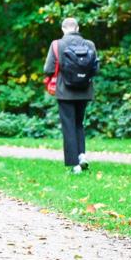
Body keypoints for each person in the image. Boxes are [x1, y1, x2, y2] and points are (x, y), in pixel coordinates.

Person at [44, 17, 99, 173]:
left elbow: (48, 69)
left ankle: (74, 164)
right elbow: (96, 69)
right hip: (84, 90)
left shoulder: (57, 44)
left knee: (68, 126)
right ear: (77, 28)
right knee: (78, 124)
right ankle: (82, 155)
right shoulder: (90, 44)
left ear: (63, 29)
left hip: (64, 92)